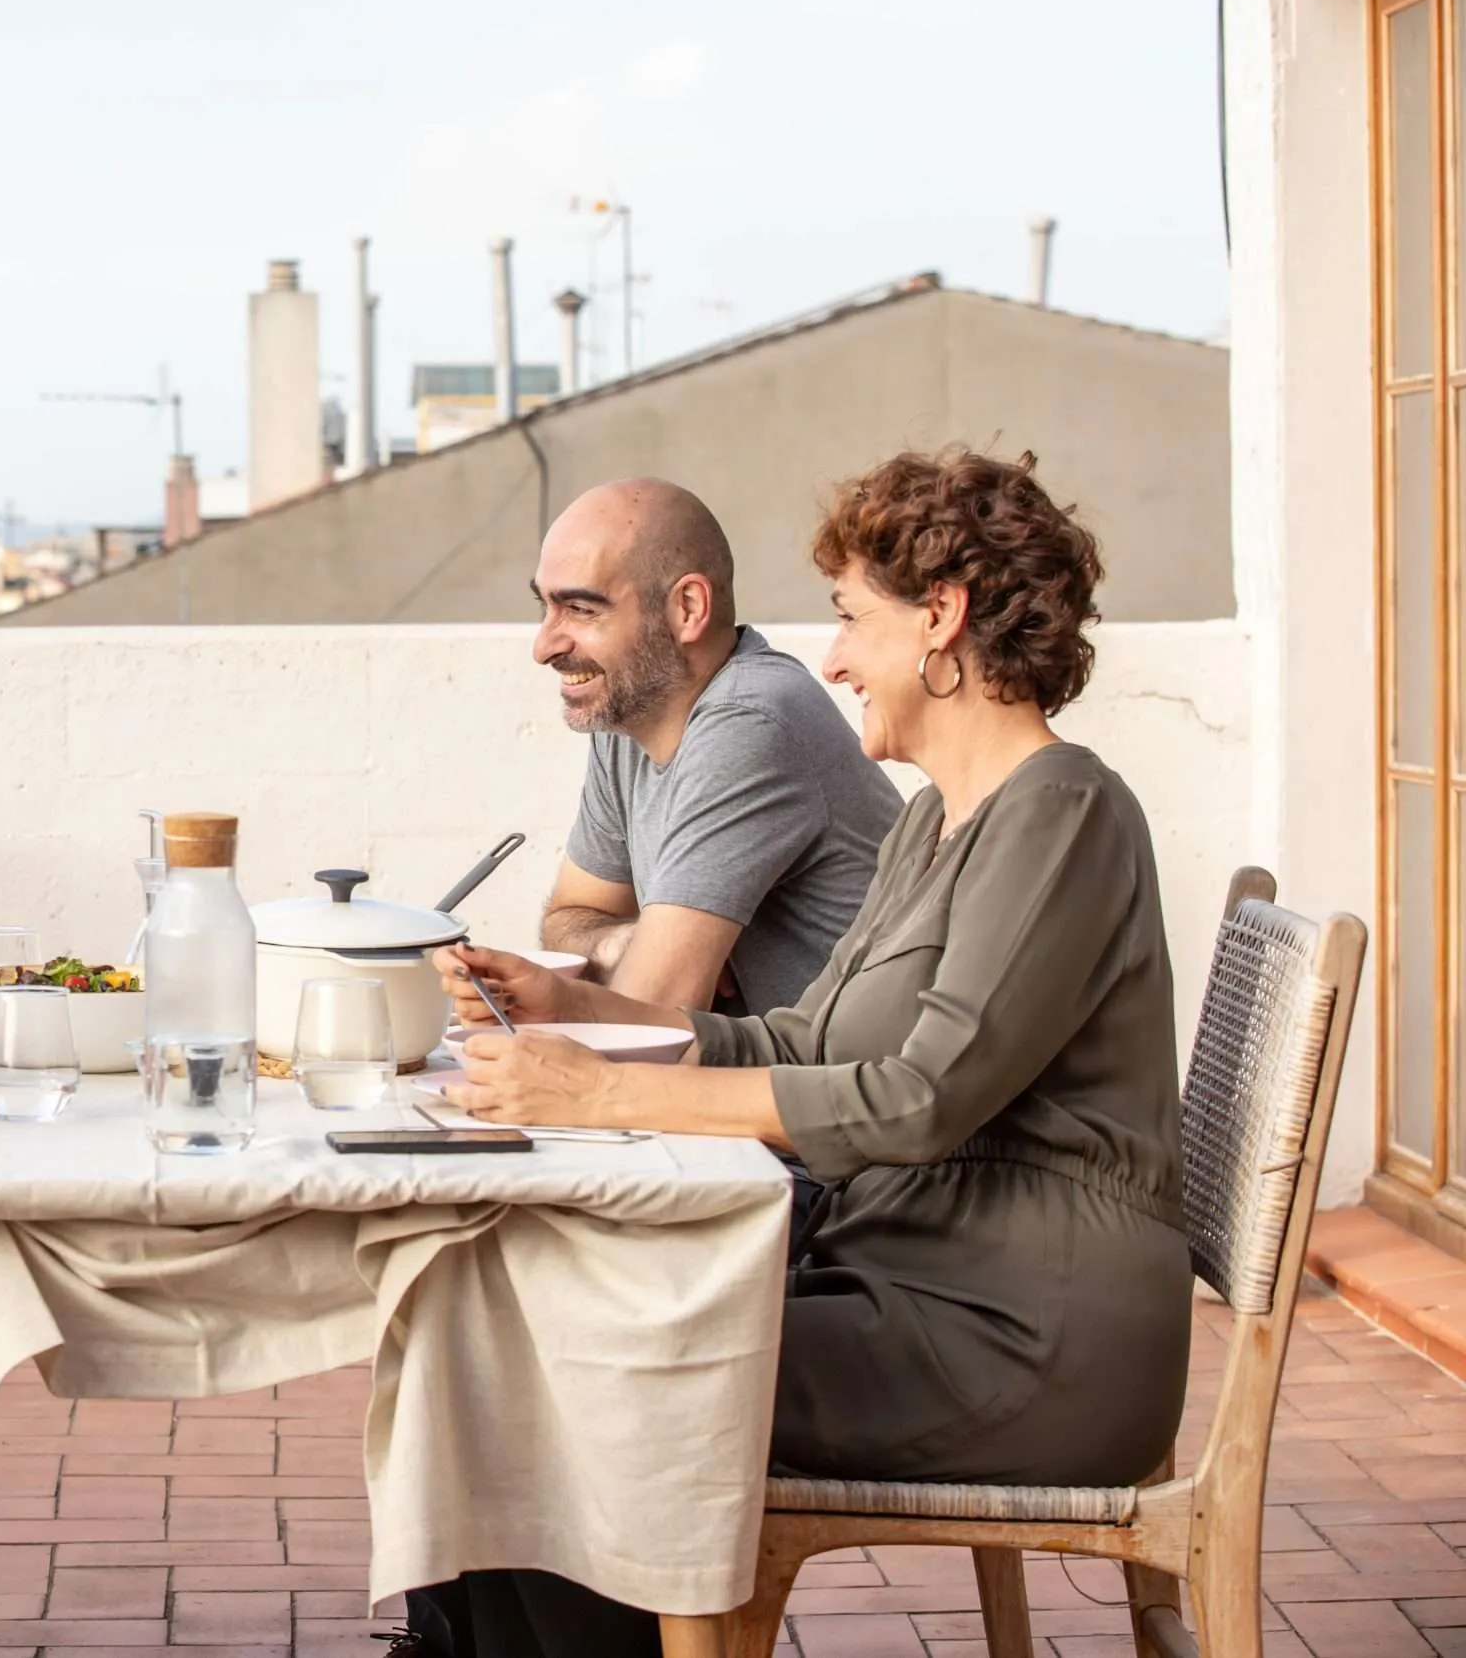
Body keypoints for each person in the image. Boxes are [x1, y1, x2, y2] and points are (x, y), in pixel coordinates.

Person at [412, 450, 1191, 1657]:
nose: (830, 658)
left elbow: (920, 1096)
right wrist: (571, 1001)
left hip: (1020, 1335)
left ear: (942, 618)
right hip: (906, 1285)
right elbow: (802, 1034)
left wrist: (609, 1091)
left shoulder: (1064, 813)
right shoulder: (938, 816)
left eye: (848, 618)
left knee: (582, 1377)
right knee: (504, 1331)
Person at [495, 478, 900, 1014]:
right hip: (750, 1080)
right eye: (545, 607)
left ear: (688, 607)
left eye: (581, 610)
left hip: (835, 1088)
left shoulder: (750, 718)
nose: (544, 646)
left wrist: (640, 958)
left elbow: (646, 1019)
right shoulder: (633, 713)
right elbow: (570, 916)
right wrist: (618, 941)